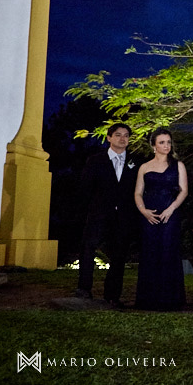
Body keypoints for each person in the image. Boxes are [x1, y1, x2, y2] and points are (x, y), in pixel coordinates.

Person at [75, 123, 140, 307]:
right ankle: (83, 289)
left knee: (119, 255)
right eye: (118, 135)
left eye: (126, 135)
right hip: (99, 214)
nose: (122, 138)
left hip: (124, 217)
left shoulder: (135, 162)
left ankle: (112, 294)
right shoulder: (95, 160)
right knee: (88, 248)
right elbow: (85, 188)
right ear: (109, 137)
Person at [133, 127, 188, 311]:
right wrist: (144, 211)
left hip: (170, 213)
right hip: (149, 214)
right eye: (162, 142)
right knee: (150, 252)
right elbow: (138, 193)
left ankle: (170, 300)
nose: (166, 146)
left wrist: (171, 209)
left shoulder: (178, 165)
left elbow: (184, 191)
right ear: (154, 145)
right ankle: (148, 299)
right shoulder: (144, 167)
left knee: (168, 252)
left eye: (168, 142)